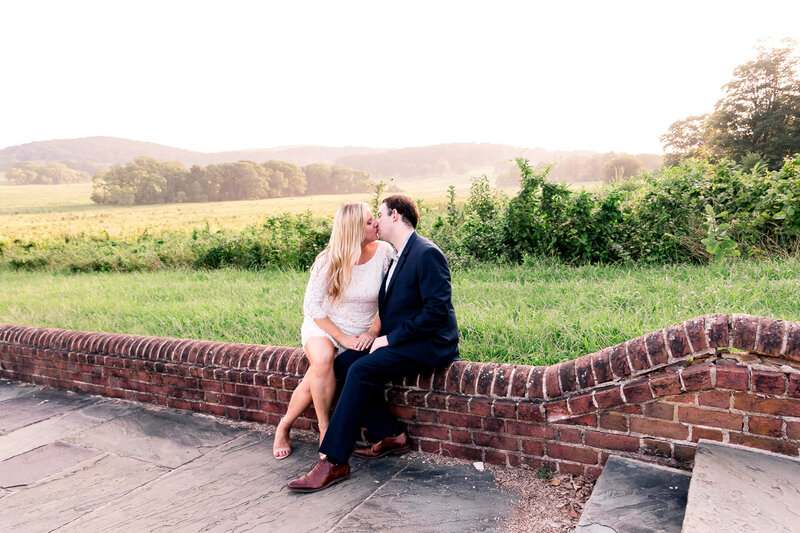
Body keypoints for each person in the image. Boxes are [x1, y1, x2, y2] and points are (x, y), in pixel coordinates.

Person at [288, 194, 459, 492]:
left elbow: (437, 313)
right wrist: (376, 337)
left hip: (429, 345)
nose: (376, 222)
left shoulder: (425, 252)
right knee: (343, 363)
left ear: (394, 215)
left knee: (360, 370)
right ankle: (390, 435)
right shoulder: (397, 253)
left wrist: (387, 340)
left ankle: (333, 461)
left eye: (378, 215)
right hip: (406, 339)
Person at [272, 202, 393, 459]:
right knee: (324, 359)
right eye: (370, 222)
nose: (376, 225)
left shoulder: (385, 252)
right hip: (325, 327)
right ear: (354, 230)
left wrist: (372, 332)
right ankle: (326, 429)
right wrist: (342, 338)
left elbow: (389, 299)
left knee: (316, 373)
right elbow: (312, 307)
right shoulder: (329, 259)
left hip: (362, 329)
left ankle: (284, 424)